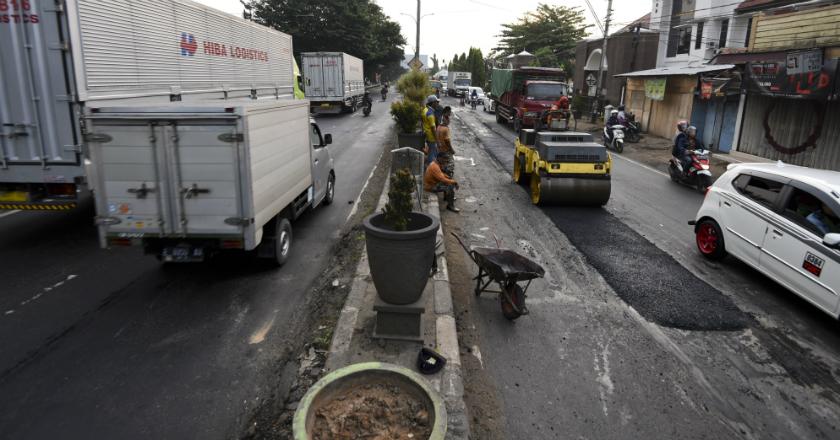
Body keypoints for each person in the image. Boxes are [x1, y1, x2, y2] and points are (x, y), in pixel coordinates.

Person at [436, 107, 455, 176]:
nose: (450, 114)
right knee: (451, 163)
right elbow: (447, 141)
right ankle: (448, 176)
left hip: (439, 149)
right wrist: (451, 149)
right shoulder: (445, 129)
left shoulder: (438, 127)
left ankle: (442, 173)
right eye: (449, 112)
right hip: (445, 149)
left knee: (442, 163)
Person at [422, 95, 440, 165]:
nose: (437, 103)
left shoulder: (425, 110)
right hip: (431, 136)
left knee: (430, 151)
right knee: (432, 153)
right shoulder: (430, 114)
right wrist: (437, 140)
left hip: (426, 134)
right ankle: (430, 168)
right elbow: (433, 128)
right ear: (433, 103)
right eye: (436, 102)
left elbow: (422, 121)